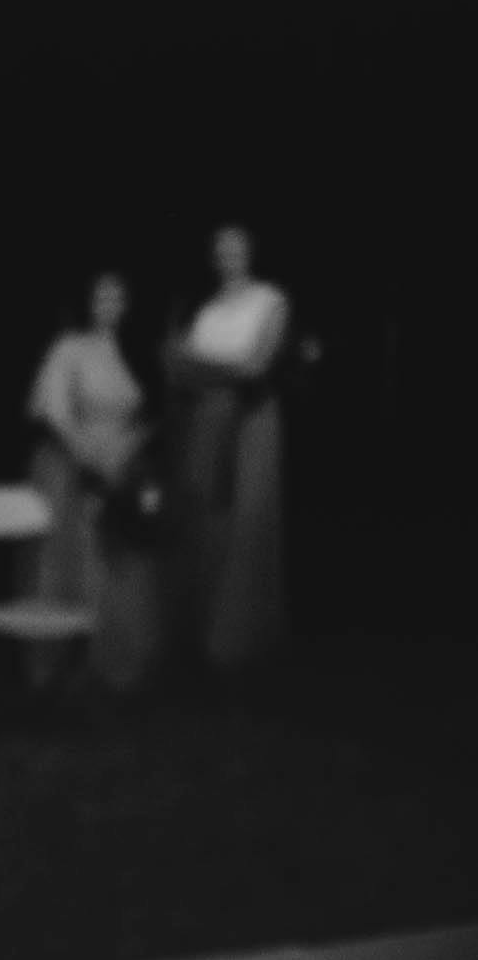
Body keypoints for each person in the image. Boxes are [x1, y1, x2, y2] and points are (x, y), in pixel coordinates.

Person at [25, 271, 168, 691]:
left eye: (117, 297)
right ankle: (60, 662)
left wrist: (128, 455)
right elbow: (52, 410)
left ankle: (110, 660)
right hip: (74, 469)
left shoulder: (134, 351)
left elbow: (147, 415)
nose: (109, 305)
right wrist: (91, 460)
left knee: (118, 560)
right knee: (73, 560)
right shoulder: (69, 346)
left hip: (122, 468)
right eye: (101, 296)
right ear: (87, 301)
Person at [166, 223, 291, 672]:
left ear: (251, 251)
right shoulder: (206, 309)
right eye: (220, 249)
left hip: (250, 418)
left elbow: (257, 366)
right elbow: (176, 368)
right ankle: (199, 634)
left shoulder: (270, 299)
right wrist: (207, 367)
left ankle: (240, 640)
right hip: (204, 418)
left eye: (235, 247)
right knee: (203, 518)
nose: (227, 255)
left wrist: (198, 363)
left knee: (244, 519)